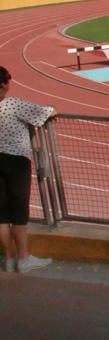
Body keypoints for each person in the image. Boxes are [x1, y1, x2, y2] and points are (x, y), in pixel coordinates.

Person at [0, 66, 58, 273]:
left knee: (1, 215)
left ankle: (8, 259)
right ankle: (23, 259)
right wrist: (52, 110)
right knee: (18, 211)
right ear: (5, 84)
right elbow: (47, 112)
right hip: (16, 163)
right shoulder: (14, 105)